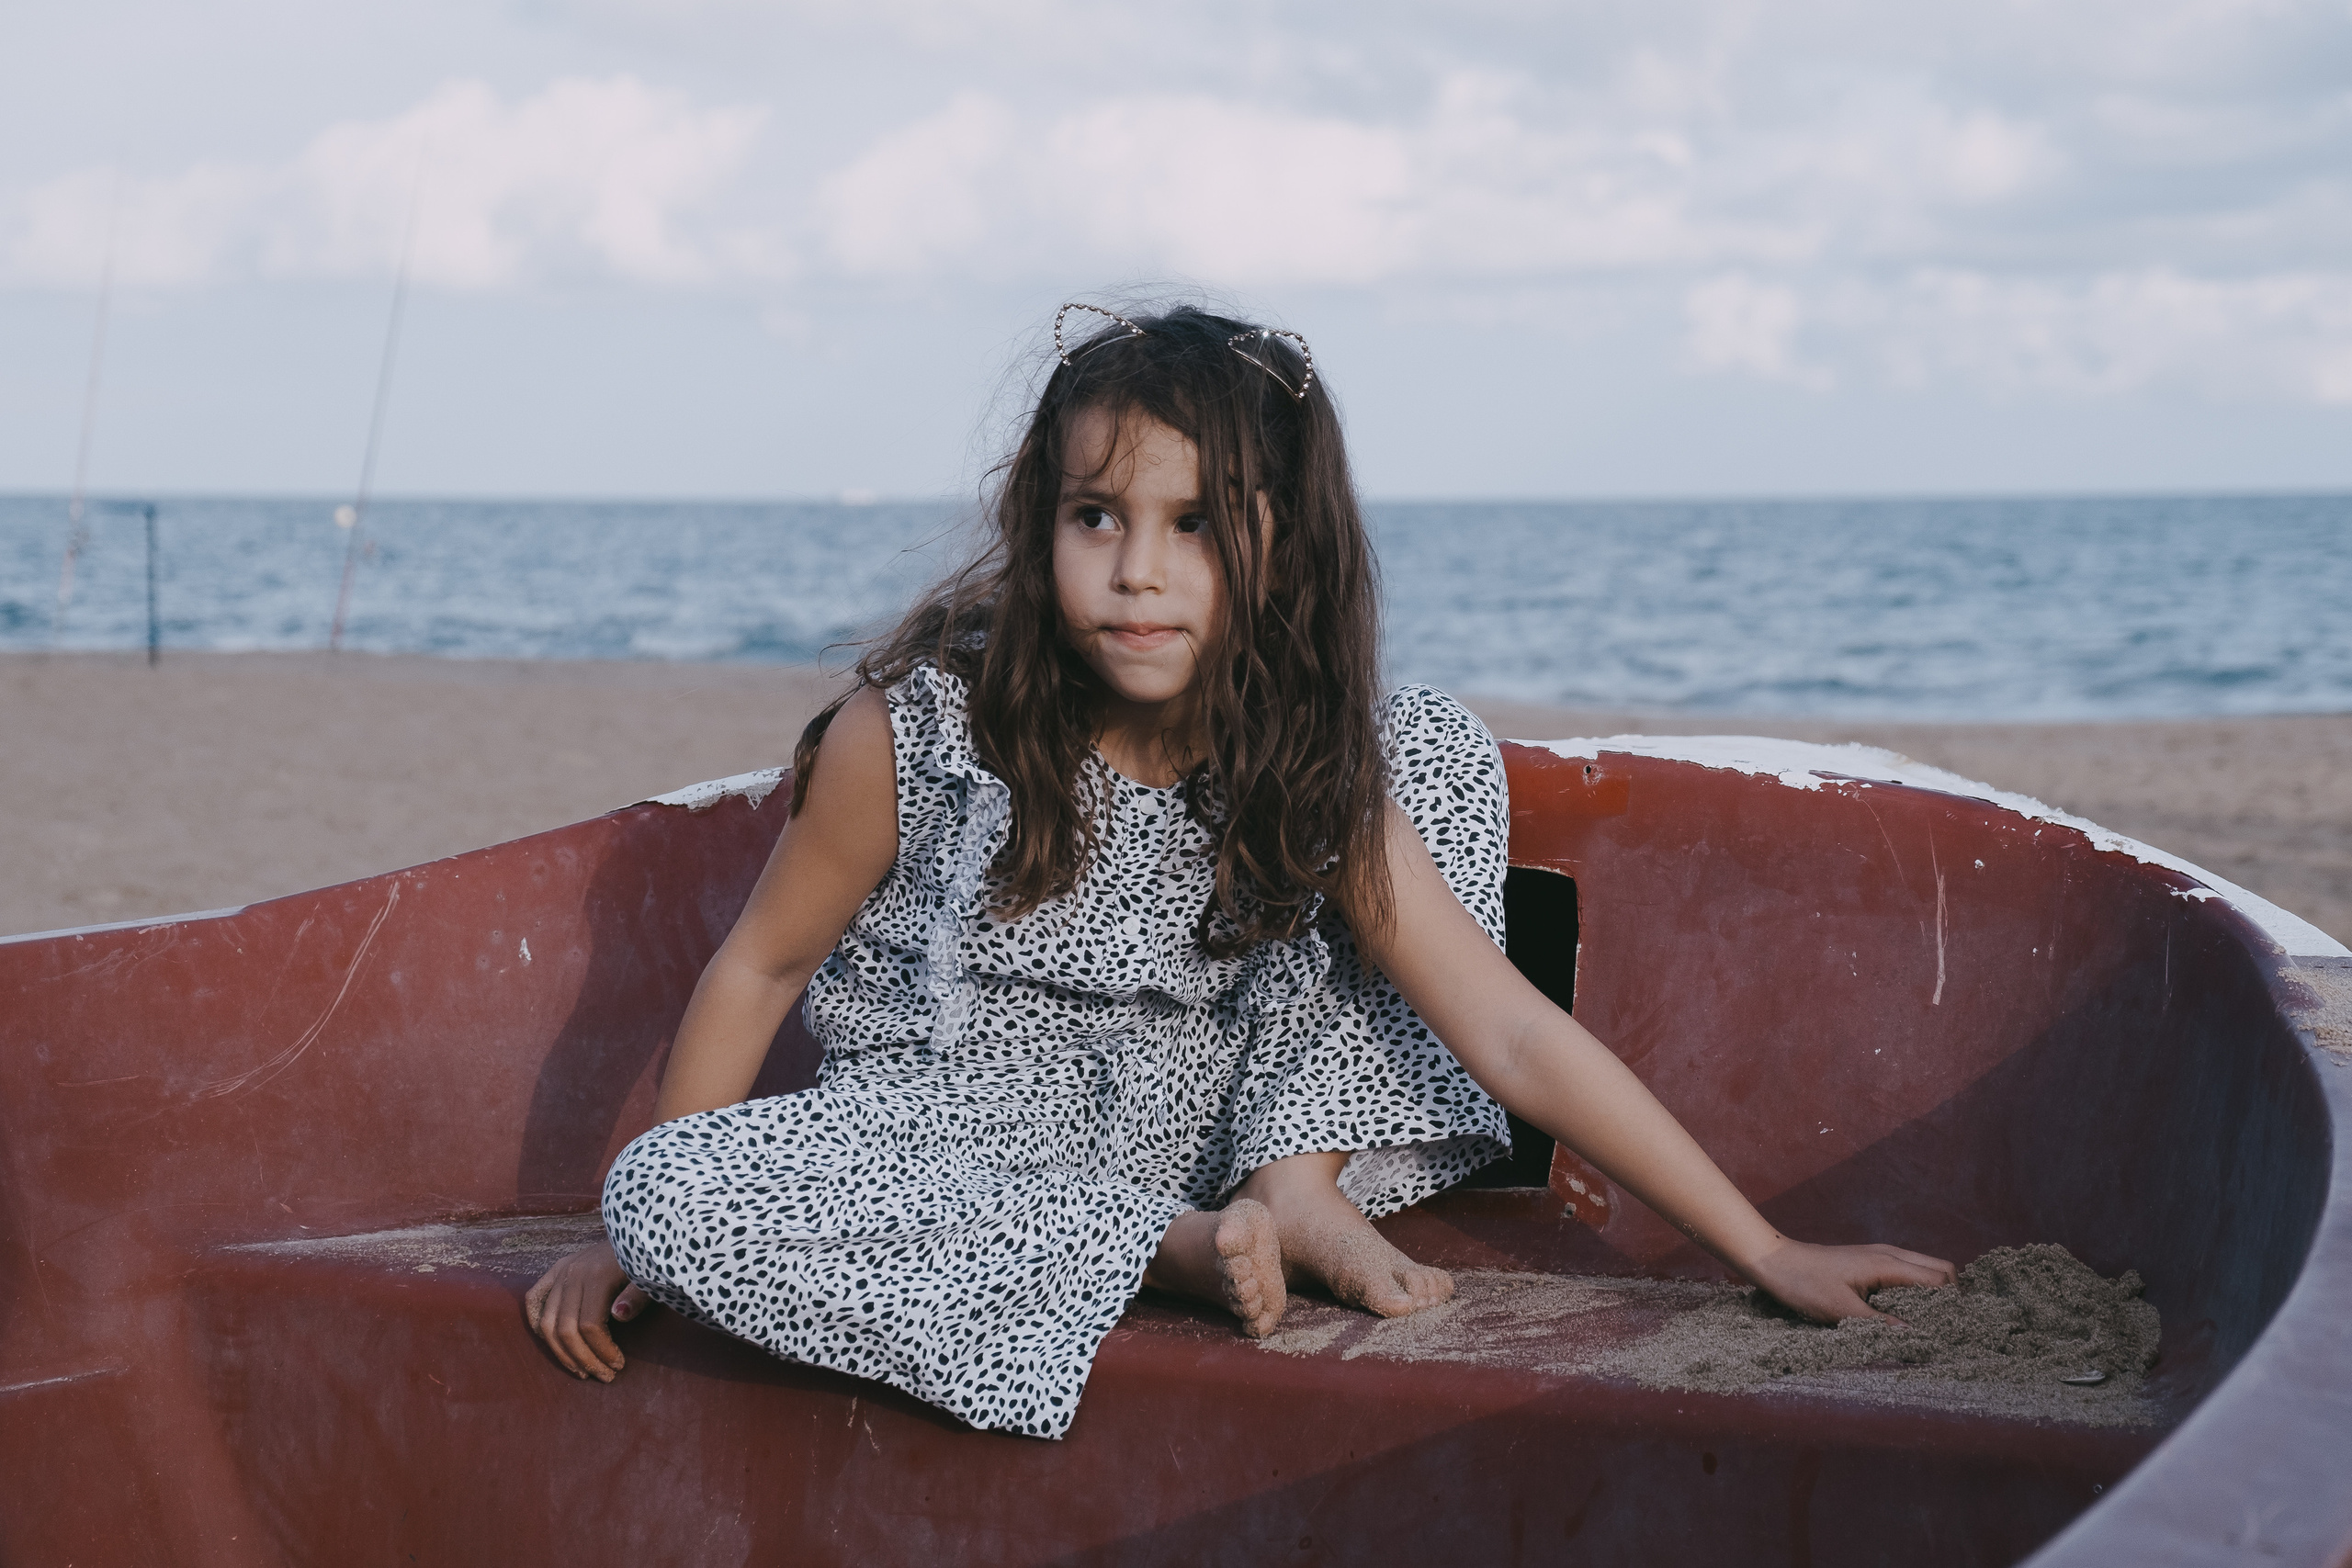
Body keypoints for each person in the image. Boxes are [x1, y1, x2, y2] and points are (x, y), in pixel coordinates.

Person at [526, 301, 1954, 1439]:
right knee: (670, 1195)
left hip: (1182, 1138)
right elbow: (762, 964)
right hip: (931, 1154)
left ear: (1282, 541)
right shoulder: (914, 733)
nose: (1139, 572)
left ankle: (1295, 1183)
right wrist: (624, 1230)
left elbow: (1507, 1024)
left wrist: (1763, 1251)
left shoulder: (1304, 755)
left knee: (1426, 743)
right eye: (1099, 519)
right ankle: (1173, 1254)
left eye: (1196, 524)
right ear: (1040, 524)